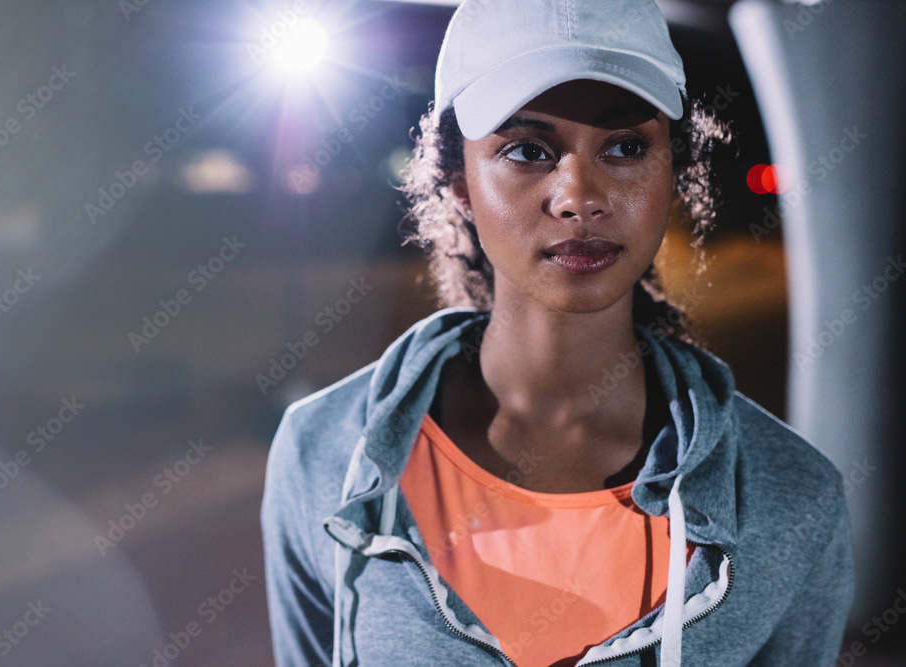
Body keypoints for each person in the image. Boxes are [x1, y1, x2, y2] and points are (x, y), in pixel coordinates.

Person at [261, 0, 855, 665]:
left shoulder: (791, 497)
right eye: (527, 150)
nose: (579, 194)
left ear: (673, 169)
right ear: (458, 179)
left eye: (626, 146)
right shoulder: (322, 454)